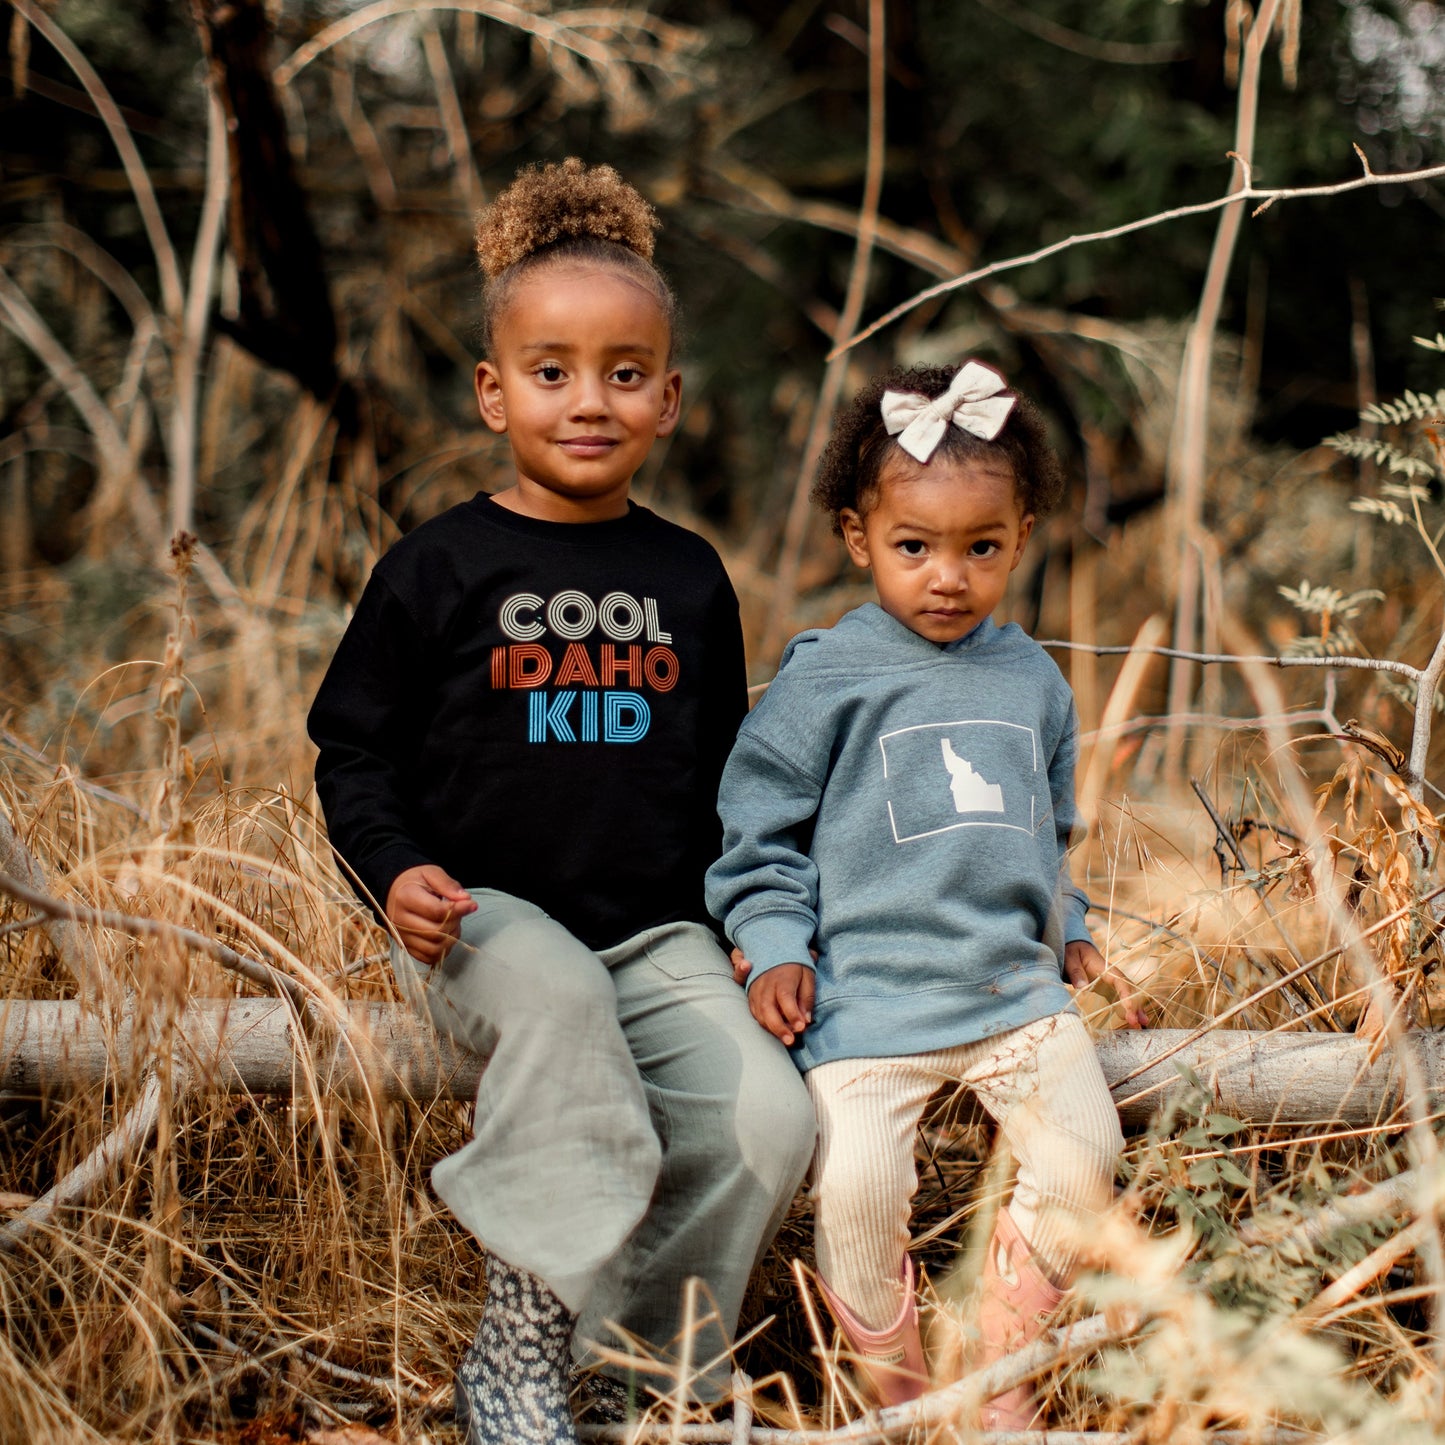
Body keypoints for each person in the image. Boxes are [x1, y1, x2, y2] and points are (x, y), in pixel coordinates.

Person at [307, 158, 814, 1445]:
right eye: (550, 370)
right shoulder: (436, 565)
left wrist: (754, 926)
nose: (588, 399)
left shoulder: (690, 577)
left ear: (668, 399)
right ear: (493, 390)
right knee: (568, 1001)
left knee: (766, 1115)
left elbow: (721, 779)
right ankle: (518, 1347)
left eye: (623, 373)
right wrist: (394, 868)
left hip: (657, 931)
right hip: (487, 919)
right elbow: (350, 748)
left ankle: (633, 1375)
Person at [706, 360, 1145, 1429]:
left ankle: (999, 1359)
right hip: (865, 1005)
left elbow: (1045, 833)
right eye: (913, 546)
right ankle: (896, 1387)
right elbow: (758, 837)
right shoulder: (824, 675)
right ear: (858, 538)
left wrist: (1070, 930)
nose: (945, 576)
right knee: (853, 1194)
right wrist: (773, 944)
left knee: (1089, 1153)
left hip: (1010, 994)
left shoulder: (1031, 677)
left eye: (978, 547)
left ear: (1021, 535)